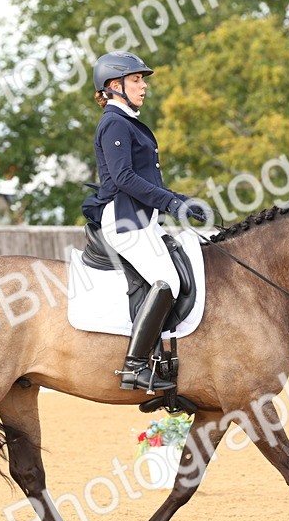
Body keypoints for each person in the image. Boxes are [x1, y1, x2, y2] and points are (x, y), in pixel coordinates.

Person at [81, 51, 208, 392]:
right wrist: (169, 201)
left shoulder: (128, 122)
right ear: (114, 85)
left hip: (143, 219)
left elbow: (146, 178)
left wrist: (180, 200)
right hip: (125, 222)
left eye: (142, 80)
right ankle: (134, 367)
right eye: (136, 80)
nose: (143, 86)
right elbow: (123, 177)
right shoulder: (114, 123)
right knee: (167, 280)